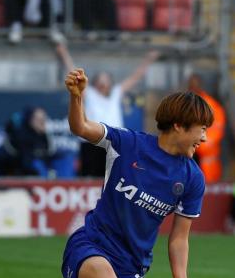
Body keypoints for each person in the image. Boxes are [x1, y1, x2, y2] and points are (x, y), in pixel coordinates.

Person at [51, 68, 212, 278]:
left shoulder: (192, 178)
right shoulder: (127, 144)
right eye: (201, 129)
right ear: (178, 125)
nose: (205, 138)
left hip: (131, 269)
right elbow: (81, 128)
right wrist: (77, 98)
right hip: (92, 247)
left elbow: (178, 239)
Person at [55, 43, 160, 177]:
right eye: (100, 80)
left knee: (114, 177)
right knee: (90, 177)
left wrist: (149, 60)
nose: (103, 83)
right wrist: (63, 53)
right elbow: (74, 73)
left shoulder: (116, 93)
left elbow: (136, 77)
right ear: (95, 82)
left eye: (106, 80)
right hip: (91, 142)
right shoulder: (90, 93)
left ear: (110, 82)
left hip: (114, 142)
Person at [0, 106, 56, 177]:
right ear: (31, 121)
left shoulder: (44, 136)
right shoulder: (22, 135)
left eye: (44, 119)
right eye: (39, 120)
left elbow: (47, 155)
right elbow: (26, 162)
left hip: (22, 171)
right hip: (4, 170)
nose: (42, 122)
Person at [186, 74, 226, 183]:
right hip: (187, 151)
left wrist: (199, 144)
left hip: (204, 154)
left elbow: (217, 129)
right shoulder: (183, 104)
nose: (193, 88)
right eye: (191, 85)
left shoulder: (211, 105)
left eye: (195, 85)